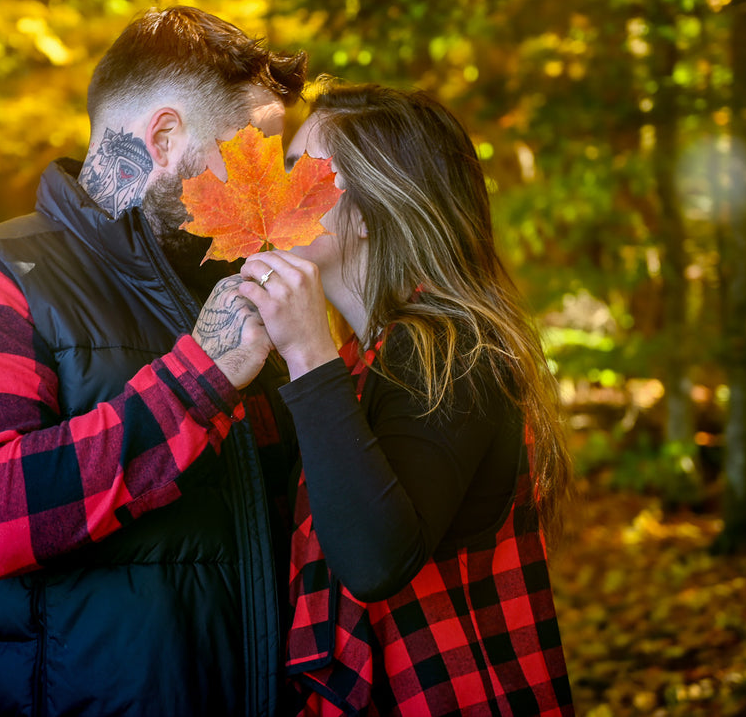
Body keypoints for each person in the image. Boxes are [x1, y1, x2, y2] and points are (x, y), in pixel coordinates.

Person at [0, 7, 305, 717]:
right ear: (164, 139)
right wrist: (201, 382)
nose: (270, 193)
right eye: (250, 156)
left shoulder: (223, 300)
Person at [236, 84, 577, 716]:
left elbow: (373, 561)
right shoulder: (361, 364)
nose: (277, 194)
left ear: (366, 214)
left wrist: (308, 353)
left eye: (301, 172)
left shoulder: (453, 351)